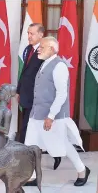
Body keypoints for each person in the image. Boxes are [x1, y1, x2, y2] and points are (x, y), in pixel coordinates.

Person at [25, 36, 90, 186]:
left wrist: (51, 116)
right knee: (30, 145)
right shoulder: (44, 63)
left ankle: (82, 170)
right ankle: (34, 177)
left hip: (51, 116)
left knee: (63, 145)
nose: (38, 50)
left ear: (52, 49)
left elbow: (62, 94)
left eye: (42, 47)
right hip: (36, 114)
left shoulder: (59, 66)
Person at [16, 23, 61, 170]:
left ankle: (27, 164)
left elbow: (47, 77)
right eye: (28, 33)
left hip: (37, 99)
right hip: (26, 96)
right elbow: (25, 73)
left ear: (41, 35)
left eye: (32, 33)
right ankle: (54, 153)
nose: (29, 36)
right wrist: (18, 90)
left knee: (27, 130)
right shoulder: (29, 49)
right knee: (29, 130)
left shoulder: (45, 52)